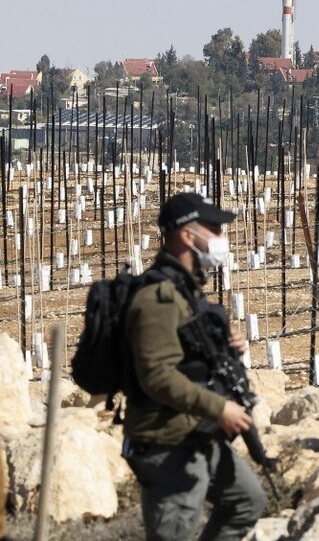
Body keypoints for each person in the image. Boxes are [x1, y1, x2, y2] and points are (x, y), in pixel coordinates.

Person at [122, 192, 266, 541]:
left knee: (246, 500)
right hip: (166, 440)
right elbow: (157, 374)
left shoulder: (187, 290)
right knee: (175, 532)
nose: (222, 238)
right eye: (215, 229)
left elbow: (187, 356)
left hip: (197, 429)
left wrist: (227, 346)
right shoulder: (157, 297)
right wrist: (220, 408)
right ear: (189, 236)